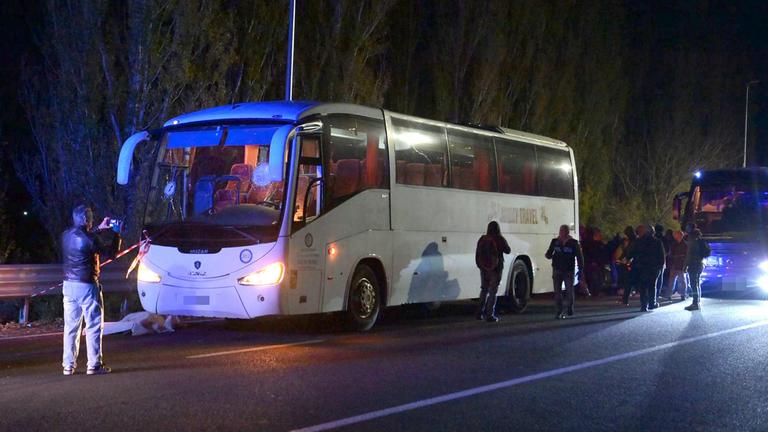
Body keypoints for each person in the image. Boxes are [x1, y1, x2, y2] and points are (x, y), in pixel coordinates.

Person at [61, 204, 121, 375]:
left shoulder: (65, 235)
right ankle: (94, 365)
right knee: (93, 325)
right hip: (87, 285)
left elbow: (85, 237)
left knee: (71, 327)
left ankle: (68, 365)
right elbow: (111, 254)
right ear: (87, 219)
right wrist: (117, 233)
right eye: (91, 218)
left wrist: (99, 229)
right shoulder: (91, 239)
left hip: (68, 285)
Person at [545, 224, 585, 319]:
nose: (561, 233)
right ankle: (559, 311)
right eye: (560, 231)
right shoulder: (555, 242)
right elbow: (549, 253)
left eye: (563, 231)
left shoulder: (573, 243)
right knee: (557, 292)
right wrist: (548, 255)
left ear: (567, 232)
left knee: (569, 291)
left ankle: (570, 308)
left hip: (568, 270)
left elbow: (579, 257)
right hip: (557, 269)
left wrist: (580, 269)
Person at [475, 221, 511, 322]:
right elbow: (508, 250)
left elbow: (478, 253)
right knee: (493, 292)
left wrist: (481, 265)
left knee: (484, 289)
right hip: (496, 268)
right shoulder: (499, 239)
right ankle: (489, 314)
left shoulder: (483, 239)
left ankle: (479, 312)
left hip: (484, 268)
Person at [627, 224, 665, 312]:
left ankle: (644, 305)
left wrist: (630, 259)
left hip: (641, 266)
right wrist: (660, 265)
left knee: (643, 286)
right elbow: (661, 255)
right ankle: (652, 303)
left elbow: (632, 252)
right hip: (653, 267)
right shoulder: (657, 242)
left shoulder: (639, 241)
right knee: (652, 285)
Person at [684, 228, 710, 311]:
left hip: (693, 265)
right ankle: (697, 301)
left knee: (693, 284)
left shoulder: (693, 244)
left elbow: (689, 256)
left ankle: (695, 303)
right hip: (700, 264)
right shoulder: (701, 242)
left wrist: (685, 266)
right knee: (697, 283)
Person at [664, 230, 688, 301]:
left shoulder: (682, 244)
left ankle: (681, 294)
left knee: (679, 280)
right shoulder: (677, 244)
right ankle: (680, 294)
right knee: (676, 281)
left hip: (679, 265)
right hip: (676, 265)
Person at [583, 228, 608, 296]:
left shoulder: (598, 244)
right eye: (599, 234)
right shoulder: (591, 244)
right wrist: (592, 262)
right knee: (595, 279)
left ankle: (595, 292)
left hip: (598, 264)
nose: (601, 236)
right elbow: (589, 254)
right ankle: (594, 292)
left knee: (598, 279)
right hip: (594, 265)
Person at [615, 226, 637, 306]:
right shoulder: (635, 240)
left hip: (628, 263)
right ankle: (625, 298)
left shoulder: (630, 241)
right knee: (629, 282)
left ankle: (625, 299)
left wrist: (624, 260)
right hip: (631, 263)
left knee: (627, 282)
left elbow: (629, 252)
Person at [652, 224, 669, 305]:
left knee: (652, 280)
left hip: (651, 261)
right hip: (661, 261)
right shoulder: (664, 239)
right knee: (659, 279)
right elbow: (668, 250)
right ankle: (657, 294)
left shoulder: (652, 238)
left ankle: (651, 295)